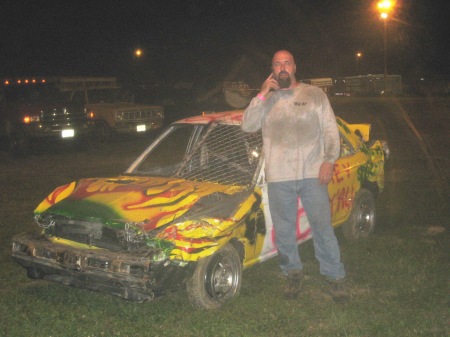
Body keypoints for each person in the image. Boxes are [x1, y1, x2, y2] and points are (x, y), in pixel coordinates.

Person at [241, 50, 348, 302]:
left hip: (313, 175)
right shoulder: (267, 99)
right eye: (277, 64)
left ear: (295, 66)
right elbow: (247, 125)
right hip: (279, 178)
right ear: (272, 70)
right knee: (285, 231)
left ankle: (334, 276)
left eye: (286, 63)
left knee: (322, 227)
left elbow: (331, 131)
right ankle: (292, 273)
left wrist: (329, 161)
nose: (282, 68)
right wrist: (261, 94)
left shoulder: (314, 94)